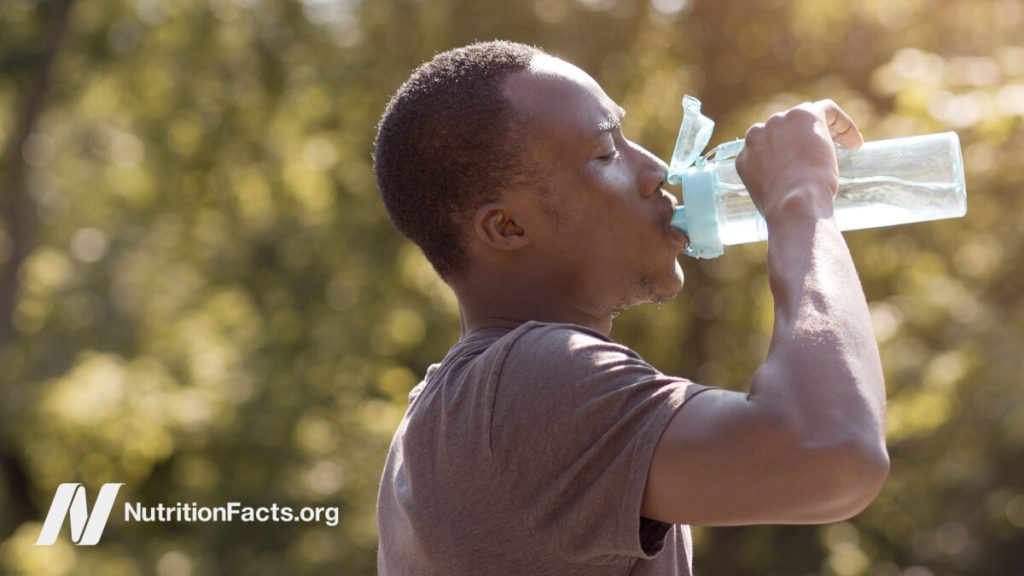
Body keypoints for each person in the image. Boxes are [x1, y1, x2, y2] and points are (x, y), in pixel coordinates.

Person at [372, 40, 889, 575]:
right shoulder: (525, 383)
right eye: (605, 154)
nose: (656, 170)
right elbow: (833, 451)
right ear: (507, 227)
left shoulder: (443, 416)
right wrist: (800, 199)